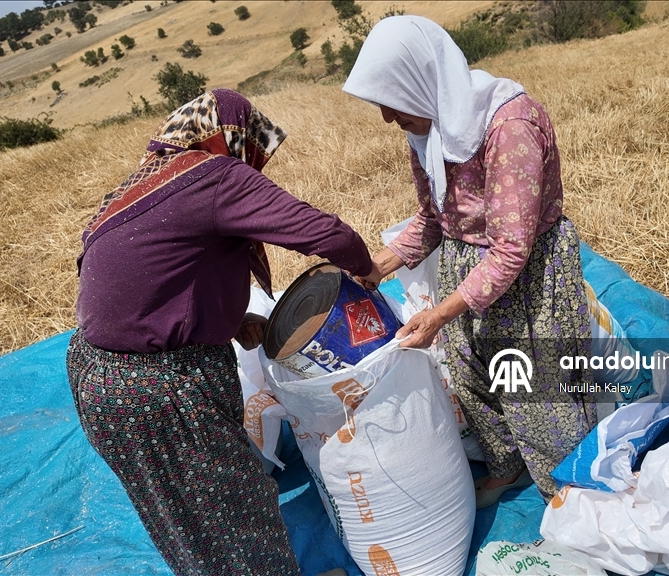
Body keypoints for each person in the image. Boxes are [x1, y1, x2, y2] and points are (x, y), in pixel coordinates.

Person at [66, 88, 370, 576]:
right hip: (162, 388)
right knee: (236, 506)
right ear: (229, 138)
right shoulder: (215, 176)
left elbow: (153, 282)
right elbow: (326, 234)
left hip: (98, 376)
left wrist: (228, 321)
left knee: (182, 516)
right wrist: (367, 269)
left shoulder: (142, 185)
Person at [345, 16, 597, 505]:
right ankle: (508, 465)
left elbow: (511, 250)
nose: (388, 120)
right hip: (468, 272)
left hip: (528, 279)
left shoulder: (509, 125)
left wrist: (438, 314)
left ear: (421, 82)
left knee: (533, 392)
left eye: (392, 105)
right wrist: (377, 268)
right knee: (470, 371)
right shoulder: (430, 127)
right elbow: (435, 218)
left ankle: (569, 494)